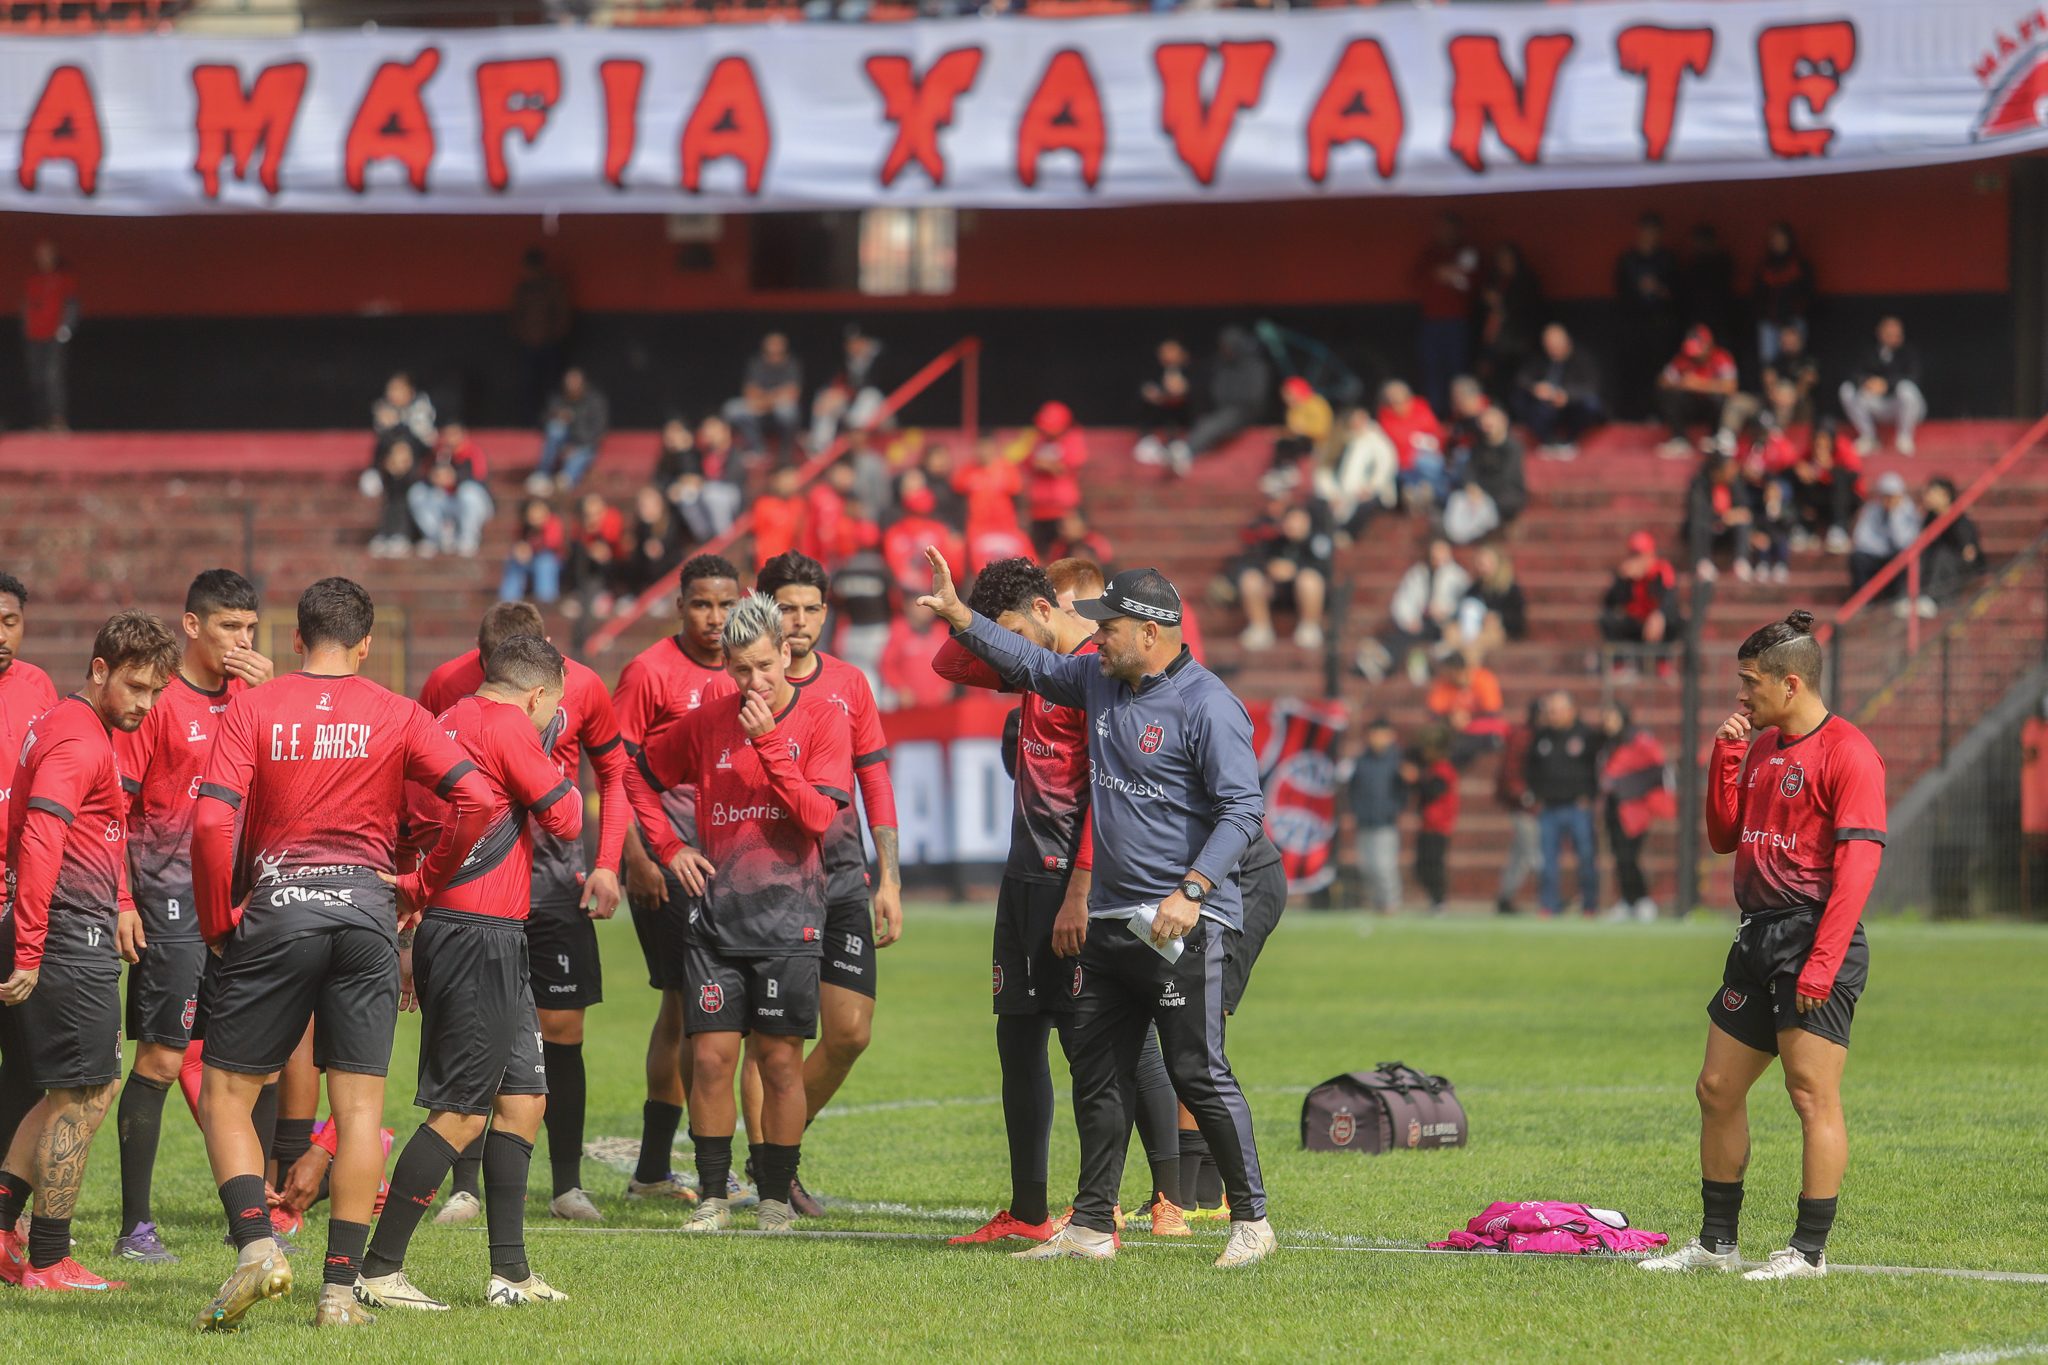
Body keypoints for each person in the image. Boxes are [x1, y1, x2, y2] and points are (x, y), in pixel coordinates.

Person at [922, 556, 1276, 1269]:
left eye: (1108, 627)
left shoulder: (1208, 703)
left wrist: (1193, 889)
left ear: (1150, 633)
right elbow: (1026, 657)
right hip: (1113, 920)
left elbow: (1244, 809)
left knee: (1195, 1068)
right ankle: (1090, 1226)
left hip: (1185, 922)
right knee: (1098, 1071)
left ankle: (1253, 1220)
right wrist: (961, 617)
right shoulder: (1095, 679)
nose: (1096, 637)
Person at [187, 579, 490, 1329]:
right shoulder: (397, 710)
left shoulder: (254, 705)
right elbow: (479, 800)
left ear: (294, 640)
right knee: (358, 1110)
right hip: (365, 917)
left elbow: (206, 824)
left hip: (279, 909)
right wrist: (422, 881)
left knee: (228, 1092)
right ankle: (337, 1294)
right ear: (365, 644)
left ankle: (258, 1247)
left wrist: (215, 918)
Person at [1638, 610, 1885, 1281]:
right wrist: (1724, 757)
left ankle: (1808, 1253)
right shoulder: (1762, 746)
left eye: (1751, 683)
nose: (1741, 695)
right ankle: (1718, 1244)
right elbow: (1724, 836)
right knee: (1716, 1087)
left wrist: (1824, 961)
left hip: (1812, 938)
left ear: (1792, 683)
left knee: (1811, 1096)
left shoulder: (1850, 753)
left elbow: (1859, 869)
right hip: (1756, 936)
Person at [355, 635, 582, 1312]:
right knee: (459, 1112)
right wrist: (549, 753)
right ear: (537, 695)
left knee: (523, 1101)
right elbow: (567, 819)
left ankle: (509, 1274)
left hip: (476, 932)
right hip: (476, 934)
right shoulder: (509, 725)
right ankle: (378, 1268)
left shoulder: (444, 717)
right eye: (553, 710)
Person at [624, 593, 855, 1235]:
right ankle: (712, 1199)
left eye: (764, 665)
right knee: (710, 1060)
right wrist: (668, 847)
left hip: (791, 920)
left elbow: (816, 821)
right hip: (715, 919)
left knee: (779, 1062)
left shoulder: (824, 722)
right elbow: (635, 774)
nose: (754, 681)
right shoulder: (706, 722)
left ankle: (775, 1200)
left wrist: (770, 745)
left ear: (788, 652)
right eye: (740, 669)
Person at [416, 602, 629, 1227]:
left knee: (560, 1031)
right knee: (475, 1036)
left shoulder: (583, 683)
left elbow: (614, 773)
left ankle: (566, 1185)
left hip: (555, 876)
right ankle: (464, 1188)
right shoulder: (448, 685)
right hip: (476, 879)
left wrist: (608, 861)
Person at [0, 611, 178, 1292]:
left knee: (62, 1092)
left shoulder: (62, 720)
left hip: (71, 928)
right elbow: (43, 836)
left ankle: (6, 1232)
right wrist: (32, 945)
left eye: (156, 691)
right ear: (99, 669)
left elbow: (95, 833)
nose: (145, 703)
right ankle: (48, 1259)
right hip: (69, 938)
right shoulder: (79, 737)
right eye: (135, 686)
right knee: (87, 1092)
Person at [109, 572, 274, 1265]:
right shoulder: (161, 703)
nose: (243, 640)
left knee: (255, 1060)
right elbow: (111, 810)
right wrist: (121, 900)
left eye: (251, 628)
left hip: (242, 899)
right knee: (162, 1056)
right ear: (193, 625)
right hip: (169, 902)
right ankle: (136, 1227)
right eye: (231, 626)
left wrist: (271, 695)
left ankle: (259, 1210)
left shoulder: (254, 698)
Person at [932, 558, 1099, 1243]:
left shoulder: (1096, 670)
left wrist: (1082, 890)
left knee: (1091, 1049)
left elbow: (1109, 798)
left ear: (1041, 607)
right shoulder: (1033, 665)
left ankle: (1101, 1207)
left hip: (1076, 888)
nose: (1000, 644)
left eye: (1009, 628)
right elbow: (950, 660)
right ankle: (1030, 1212)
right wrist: (971, 616)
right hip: (1024, 879)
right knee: (1018, 1039)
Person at [749, 553, 902, 1214]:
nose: (803, 620)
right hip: (770, 884)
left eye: (813, 607)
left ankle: (773, 1154)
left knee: (849, 1032)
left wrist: (888, 878)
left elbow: (876, 782)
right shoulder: (747, 689)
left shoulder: (850, 683)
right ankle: (773, 1176)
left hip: (842, 877)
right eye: (789, 607)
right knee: (771, 1040)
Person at [612, 557, 745, 1210]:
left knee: (682, 1005)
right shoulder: (649, 670)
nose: (714, 618)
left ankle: (653, 1169)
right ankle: (709, 1162)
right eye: (701, 604)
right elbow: (616, 767)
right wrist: (634, 855)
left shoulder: (748, 666)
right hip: (666, 862)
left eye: (725, 604)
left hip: (727, 861)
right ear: (679, 606)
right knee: (699, 1007)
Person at [1526, 691, 1600, 918]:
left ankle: (1589, 905)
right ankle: (1548, 905)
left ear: (1571, 711)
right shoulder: (1541, 737)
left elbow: (1597, 768)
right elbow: (1530, 768)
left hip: (1577, 807)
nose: (1553, 715)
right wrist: (1536, 794)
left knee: (1586, 858)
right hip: (1549, 808)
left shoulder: (1585, 736)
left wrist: (1589, 794)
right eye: (1550, 711)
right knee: (1547, 862)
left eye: (1557, 710)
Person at [1598, 700, 1672, 924]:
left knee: (1629, 857)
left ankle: (1642, 900)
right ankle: (1628, 901)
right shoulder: (1609, 743)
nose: (1607, 723)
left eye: (1612, 718)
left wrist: (1628, 787)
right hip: (1615, 807)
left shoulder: (1638, 740)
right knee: (1620, 858)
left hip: (1634, 809)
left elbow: (1659, 769)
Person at [1358, 538, 1468, 687]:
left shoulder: (1457, 576)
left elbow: (1465, 604)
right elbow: (1402, 601)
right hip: (1422, 622)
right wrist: (1409, 619)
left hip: (1444, 624)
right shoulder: (1418, 573)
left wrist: (1446, 611)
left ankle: (1385, 661)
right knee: (1403, 635)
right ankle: (1383, 661)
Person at [1169, 326, 1268, 475]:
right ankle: (1182, 450)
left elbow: (1254, 398)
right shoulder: (1222, 366)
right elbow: (1214, 389)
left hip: (1244, 413)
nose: (1224, 350)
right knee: (1205, 418)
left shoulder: (1256, 367)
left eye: (1227, 346)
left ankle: (1186, 451)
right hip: (1221, 410)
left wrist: (1233, 405)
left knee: (1212, 423)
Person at [1234, 502, 1331, 653]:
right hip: (1276, 593)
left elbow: (1325, 569)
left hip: (1306, 596)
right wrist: (1270, 569)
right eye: (1291, 521)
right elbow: (1250, 562)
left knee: (1309, 579)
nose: (1295, 526)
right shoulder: (1273, 542)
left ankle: (1310, 628)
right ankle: (1260, 628)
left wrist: (1296, 570)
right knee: (1251, 579)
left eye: (1299, 521)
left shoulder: (1316, 542)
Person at [1614, 212, 1681, 420]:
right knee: (1635, 372)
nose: (1650, 236)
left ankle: (1660, 414)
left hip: (1660, 324)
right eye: (1646, 232)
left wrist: (1660, 289)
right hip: (1634, 324)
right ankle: (1635, 415)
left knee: (1660, 372)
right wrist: (1638, 287)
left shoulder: (1667, 259)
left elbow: (1678, 292)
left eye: (1654, 232)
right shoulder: (1627, 259)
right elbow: (1620, 290)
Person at [1412, 213, 1477, 414]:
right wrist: (1441, 273)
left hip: (1458, 322)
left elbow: (1476, 282)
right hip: (1432, 322)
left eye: (1448, 228)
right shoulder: (1430, 255)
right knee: (1433, 371)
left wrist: (1452, 272)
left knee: (1458, 372)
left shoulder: (1467, 252)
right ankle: (1437, 416)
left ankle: (1460, 416)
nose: (1444, 232)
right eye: (1441, 228)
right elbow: (1415, 280)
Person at [1512, 323, 1603, 458]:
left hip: (1572, 407)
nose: (1553, 348)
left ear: (1567, 341)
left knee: (1591, 403)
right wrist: (1536, 388)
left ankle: (1571, 441)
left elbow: (1592, 385)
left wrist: (1567, 396)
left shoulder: (1582, 357)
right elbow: (1522, 379)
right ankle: (1550, 440)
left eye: (1556, 343)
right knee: (1519, 397)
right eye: (1549, 344)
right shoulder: (1540, 358)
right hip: (1546, 408)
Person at [1838, 317, 1925, 457]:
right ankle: (1869, 436)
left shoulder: (1909, 352)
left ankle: (1904, 436)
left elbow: (1914, 377)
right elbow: (1854, 373)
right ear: (1880, 333)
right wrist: (1867, 382)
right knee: (1846, 389)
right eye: (1889, 333)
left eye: (1896, 334)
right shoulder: (1868, 350)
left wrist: (1886, 384)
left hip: (1901, 406)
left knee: (1907, 389)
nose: (1893, 337)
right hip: (1878, 405)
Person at [407, 422, 493, 559]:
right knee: (418, 492)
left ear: (463, 435)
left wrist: (455, 477)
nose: (450, 439)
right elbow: (422, 475)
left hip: (475, 505)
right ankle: (434, 537)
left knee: (468, 491)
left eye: (454, 435)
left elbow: (480, 479)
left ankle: (468, 538)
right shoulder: (438, 453)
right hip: (447, 505)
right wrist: (433, 477)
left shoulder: (474, 451)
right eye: (446, 435)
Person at [1346, 717, 1405, 913]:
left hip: (1385, 822)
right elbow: (1353, 789)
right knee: (1368, 867)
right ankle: (1375, 903)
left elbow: (1401, 790)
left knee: (1384, 867)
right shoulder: (1361, 760)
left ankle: (1391, 904)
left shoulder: (1396, 761)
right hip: (1365, 821)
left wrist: (1393, 809)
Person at [508, 247, 571, 424]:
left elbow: (562, 314)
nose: (529, 271)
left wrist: (555, 336)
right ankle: (527, 422)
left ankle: (552, 421)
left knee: (552, 386)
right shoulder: (523, 288)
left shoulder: (552, 286)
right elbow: (516, 315)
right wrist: (521, 337)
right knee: (527, 385)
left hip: (550, 344)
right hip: (527, 345)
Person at [1475, 242, 1544, 403]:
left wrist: (1500, 302)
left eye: (1507, 260)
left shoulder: (1526, 282)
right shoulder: (1493, 282)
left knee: (1516, 387)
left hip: (1518, 346)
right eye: (1500, 260)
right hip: (1492, 343)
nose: (1503, 264)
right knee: (1491, 384)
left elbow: (1524, 311)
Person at [1656, 325, 1738, 458]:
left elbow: (1731, 387)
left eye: (1698, 349)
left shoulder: (1721, 357)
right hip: (1693, 408)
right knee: (1669, 395)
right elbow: (1662, 381)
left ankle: (1718, 437)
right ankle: (1680, 440)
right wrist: (1681, 382)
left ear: (1708, 345)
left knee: (1722, 398)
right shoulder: (1684, 359)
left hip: (1713, 409)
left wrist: (1699, 384)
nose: (1695, 355)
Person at [1313, 407, 1398, 535]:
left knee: (1365, 506)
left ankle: (1348, 534)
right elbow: (1324, 472)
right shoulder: (1338, 441)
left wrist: (1372, 487)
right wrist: (1331, 494)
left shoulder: (1375, 439)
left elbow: (1386, 465)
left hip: (1365, 493)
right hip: (1339, 495)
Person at [1599, 531, 1679, 666]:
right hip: (1635, 623)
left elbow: (1670, 599)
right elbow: (1610, 603)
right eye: (1633, 554)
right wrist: (1622, 580)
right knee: (1608, 620)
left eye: (1640, 554)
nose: (1637, 559)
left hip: (1656, 625)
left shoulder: (1662, 570)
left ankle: (1663, 662)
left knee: (1675, 620)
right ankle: (1620, 664)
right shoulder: (1625, 574)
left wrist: (1660, 615)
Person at [21, 241, 76, 432]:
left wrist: (66, 328)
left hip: (54, 336)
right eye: (40, 254)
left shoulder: (64, 279)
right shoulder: (33, 280)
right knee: (37, 379)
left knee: (53, 377)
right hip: (34, 336)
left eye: (46, 254)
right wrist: (27, 326)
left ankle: (58, 420)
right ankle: (41, 421)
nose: (43, 258)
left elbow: (72, 304)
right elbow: (28, 306)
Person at [1020, 402, 1087, 558]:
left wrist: (1047, 465)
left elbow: (1071, 464)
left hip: (1062, 508)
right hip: (1039, 509)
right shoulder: (1038, 440)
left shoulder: (1073, 439)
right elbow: (1026, 461)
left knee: (1064, 553)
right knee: (1037, 552)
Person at [1494, 700, 1541, 916]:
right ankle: (1546, 896)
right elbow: (1510, 773)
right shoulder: (1524, 736)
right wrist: (1525, 796)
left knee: (1524, 854)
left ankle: (1507, 895)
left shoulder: (1541, 735)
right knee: (1529, 854)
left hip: (1537, 804)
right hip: (1526, 807)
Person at [726, 333, 803, 462]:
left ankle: (786, 452)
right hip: (759, 409)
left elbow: (793, 393)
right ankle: (757, 448)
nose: (774, 349)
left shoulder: (792, 364)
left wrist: (767, 402)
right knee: (732, 409)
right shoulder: (756, 363)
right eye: (771, 345)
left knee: (788, 411)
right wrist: (773, 398)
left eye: (777, 346)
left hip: (776, 410)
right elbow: (749, 391)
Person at [1442, 544, 1525, 664]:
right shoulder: (1474, 589)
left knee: (1475, 644)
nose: (1482, 566)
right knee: (1451, 632)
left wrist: (1499, 617)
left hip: (1494, 630)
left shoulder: (1508, 589)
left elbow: (1518, 617)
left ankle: (1468, 674)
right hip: (1471, 628)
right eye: (1480, 562)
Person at [532, 368, 609, 494]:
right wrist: (558, 416)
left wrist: (574, 443)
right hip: (561, 443)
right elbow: (542, 421)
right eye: (569, 382)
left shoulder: (594, 400)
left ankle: (563, 482)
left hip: (584, 444)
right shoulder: (558, 398)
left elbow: (598, 430)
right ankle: (542, 473)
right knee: (555, 427)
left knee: (576, 459)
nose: (571, 386)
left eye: (575, 382)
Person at [1789, 420, 1860, 555]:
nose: (1820, 445)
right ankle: (1804, 528)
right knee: (1797, 480)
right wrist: (1801, 469)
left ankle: (1839, 528)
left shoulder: (1844, 449)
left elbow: (1855, 478)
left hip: (1847, 501)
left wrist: (1830, 469)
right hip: (1822, 502)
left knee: (1839, 480)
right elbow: (1797, 465)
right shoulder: (1811, 451)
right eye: (1817, 440)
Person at [1751, 223, 1815, 367]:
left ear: (1789, 240)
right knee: (1768, 362)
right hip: (1769, 322)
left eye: (1780, 239)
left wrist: (1796, 313)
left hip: (1794, 320)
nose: (1777, 242)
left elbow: (1808, 293)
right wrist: (1763, 313)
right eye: (1774, 239)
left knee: (1796, 362)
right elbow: (1757, 294)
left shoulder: (1799, 265)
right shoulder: (1765, 266)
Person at [1848, 472, 1920, 601]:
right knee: (1857, 558)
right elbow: (1861, 539)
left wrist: (1894, 516)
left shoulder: (1910, 512)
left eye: (1893, 497)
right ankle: (1865, 601)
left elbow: (1903, 543)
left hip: (1895, 558)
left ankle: (1896, 599)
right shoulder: (1871, 510)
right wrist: (1883, 548)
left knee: (1902, 558)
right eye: (1886, 497)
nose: (1889, 501)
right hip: (1877, 556)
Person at [1918, 477, 1983, 613]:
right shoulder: (1930, 518)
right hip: (1936, 567)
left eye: (1931, 492)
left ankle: (1932, 599)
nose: (1927, 497)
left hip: (1958, 571)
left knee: (1943, 556)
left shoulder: (1959, 519)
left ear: (1945, 495)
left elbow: (1969, 554)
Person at [1411, 727, 1457, 915]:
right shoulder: (1433, 769)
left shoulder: (1443, 770)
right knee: (1422, 867)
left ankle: (1439, 901)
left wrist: (1416, 780)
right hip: (1429, 825)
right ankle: (1435, 900)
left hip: (1438, 826)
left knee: (1432, 866)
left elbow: (1432, 791)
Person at [1378, 380, 1447, 506]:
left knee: (1429, 463)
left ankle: (1439, 498)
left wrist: (1432, 442)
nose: (1397, 405)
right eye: (1392, 401)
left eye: (1401, 400)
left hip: (1426, 458)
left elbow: (1437, 432)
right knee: (1411, 491)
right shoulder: (1386, 416)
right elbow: (1389, 447)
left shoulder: (1420, 407)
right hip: (1403, 465)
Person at [879, 599, 953, 711]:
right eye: (921, 606)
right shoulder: (898, 629)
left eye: (929, 606)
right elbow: (887, 665)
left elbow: (953, 663)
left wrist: (947, 685)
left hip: (939, 704)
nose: (925, 610)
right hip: (908, 705)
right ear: (908, 606)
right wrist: (900, 688)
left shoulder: (942, 630)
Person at [1133, 338, 1191, 467]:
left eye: (1172, 351)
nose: (1168, 355)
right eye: (1164, 352)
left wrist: (1181, 391)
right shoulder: (1153, 371)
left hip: (1183, 419)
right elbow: (1146, 389)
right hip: (1159, 415)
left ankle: (1175, 448)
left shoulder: (1190, 371)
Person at [365, 439, 423, 559]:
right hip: (391, 513)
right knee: (391, 505)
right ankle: (384, 535)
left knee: (401, 503)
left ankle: (401, 536)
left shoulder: (417, 474)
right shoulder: (386, 473)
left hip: (410, 522)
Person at [500, 497, 564, 604]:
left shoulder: (552, 523)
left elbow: (552, 543)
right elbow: (517, 544)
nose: (536, 515)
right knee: (513, 563)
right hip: (528, 562)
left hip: (552, 562)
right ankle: (508, 602)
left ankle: (545, 601)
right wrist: (519, 550)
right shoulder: (522, 527)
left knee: (545, 562)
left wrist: (530, 549)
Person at [1269, 378, 1333, 483]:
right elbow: (1291, 429)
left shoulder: (1316, 404)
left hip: (1317, 448)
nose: (1285, 397)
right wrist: (1281, 432)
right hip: (1298, 446)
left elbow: (1322, 430)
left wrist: (1304, 430)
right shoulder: (1293, 408)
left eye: (1288, 393)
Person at [371, 372, 436, 461]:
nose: (393, 394)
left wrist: (397, 420)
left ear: (410, 390)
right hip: (391, 458)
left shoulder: (421, 404)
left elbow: (422, 434)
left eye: (398, 389)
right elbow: (381, 432)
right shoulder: (383, 407)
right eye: (390, 390)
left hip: (420, 455)